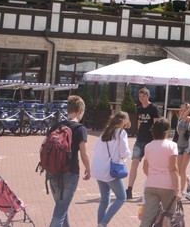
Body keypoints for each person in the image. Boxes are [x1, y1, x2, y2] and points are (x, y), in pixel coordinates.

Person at [49, 94, 90, 227]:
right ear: (80, 110)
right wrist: (88, 169)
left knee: (62, 207)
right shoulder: (80, 128)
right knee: (60, 212)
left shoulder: (57, 126)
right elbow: (84, 154)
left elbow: (43, 147)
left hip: (53, 171)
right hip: (70, 172)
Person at [92, 111, 130, 227]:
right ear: (124, 121)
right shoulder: (121, 133)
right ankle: (103, 223)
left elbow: (96, 149)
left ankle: (100, 223)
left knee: (104, 199)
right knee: (121, 197)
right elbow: (124, 152)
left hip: (98, 168)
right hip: (110, 170)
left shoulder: (105, 131)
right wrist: (126, 156)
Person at [139, 119, 178, 227]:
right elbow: (173, 169)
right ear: (166, 132)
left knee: (147, 218)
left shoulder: (148, 146)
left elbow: (145, 168)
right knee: (168, 217)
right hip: (167, 186)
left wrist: (153, 176)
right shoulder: (172, 145)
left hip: (151, 184)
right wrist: (177, 189)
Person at [127, 87, 160, 200]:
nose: (141, 98)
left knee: (149, 165)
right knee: (134, 162)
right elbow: (139, 123)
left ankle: (154, 186)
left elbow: (157, 124)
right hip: (140, 140)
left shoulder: (153, 108)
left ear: (148, 96)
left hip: (150, 141)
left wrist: (155, 139)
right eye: (140, 96)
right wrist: (139, 132)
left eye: (143, 96)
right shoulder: (139, 109)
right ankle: (129, 189)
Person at [173, 102, 190, 198]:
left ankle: (181, 191)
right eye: (181, 110)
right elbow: (177, 134)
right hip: (179, 146)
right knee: (179, 170)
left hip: (187, 147)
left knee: (183, 170)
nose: (182, 112)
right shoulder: (180, 120)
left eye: (185, 110)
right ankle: (189, 181)